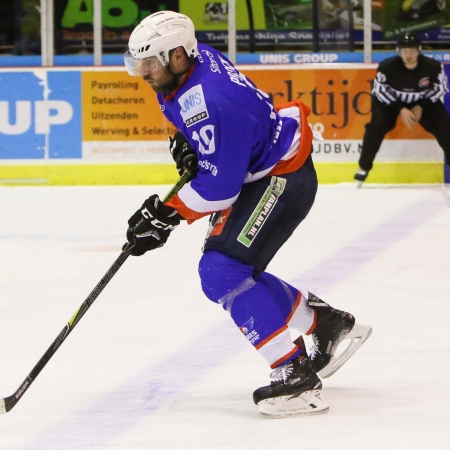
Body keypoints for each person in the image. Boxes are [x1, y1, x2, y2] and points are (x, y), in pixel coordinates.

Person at [123, 10, 372, 417]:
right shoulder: (189, 61)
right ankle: (326, 324)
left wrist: (165, 216)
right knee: (233, 272)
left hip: (280, 179)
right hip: (263, 172)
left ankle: (294, 375)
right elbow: (192, 122)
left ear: (178, 56)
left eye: (150, 63)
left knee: (222, 271)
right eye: (139, 62)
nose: (144, 72)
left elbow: (221, 188)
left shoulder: (213, 98)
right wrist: (188, 143)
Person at [354, 32, 450, 187]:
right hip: (392, 103)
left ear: (419, 50)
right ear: (399, 51)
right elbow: (379, 91)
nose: (408, 55)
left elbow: (441, 88)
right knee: (375, 128)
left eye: (412, 50)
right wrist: (401, 109)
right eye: (404, 51)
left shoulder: (432, 66)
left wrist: (421, 106)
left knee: (446, 128)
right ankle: (363, 167)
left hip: (423, 101)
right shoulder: (387, 66)